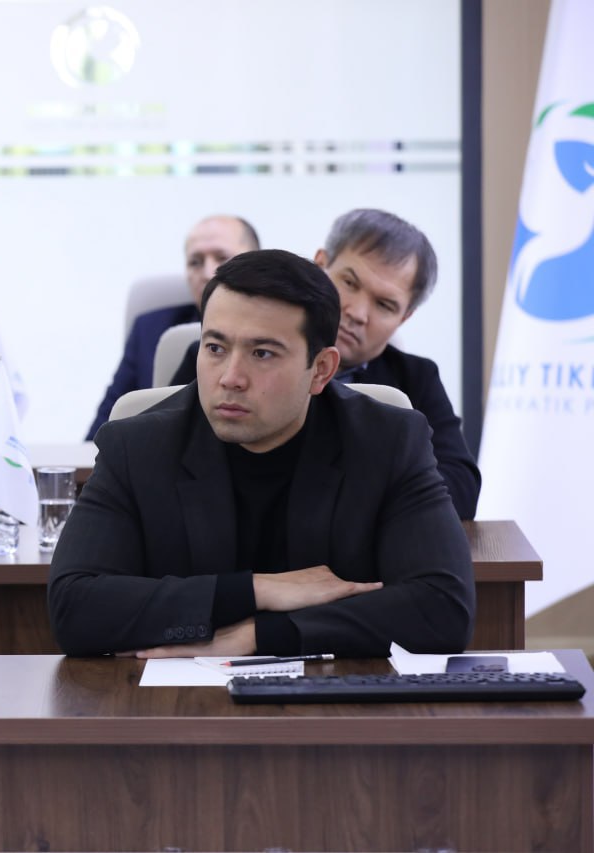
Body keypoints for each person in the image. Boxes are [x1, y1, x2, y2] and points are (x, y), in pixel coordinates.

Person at [49, 249, 475, 659]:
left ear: (321, 370)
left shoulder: (389, 442)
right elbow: (74, 608)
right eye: (215, 348)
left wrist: (261, 634)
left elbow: (443, 608)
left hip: (334, 698)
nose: (231, 378)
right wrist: (257, 590)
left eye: (262, 353)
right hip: (178, 702)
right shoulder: (136, 447)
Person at [170, 209, 481, 519]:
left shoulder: (415, 379)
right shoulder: (216, 361)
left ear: (404, 318)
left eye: (384, 305)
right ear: (320, 265)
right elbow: (163, 461)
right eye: (349, 282)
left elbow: (460, 489)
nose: (357, 312)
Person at [85, 215, 260, 439]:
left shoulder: (281, 329)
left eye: (222, 258)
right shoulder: (150, 329)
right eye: (195, 262)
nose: (208, 273)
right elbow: (102, 429)